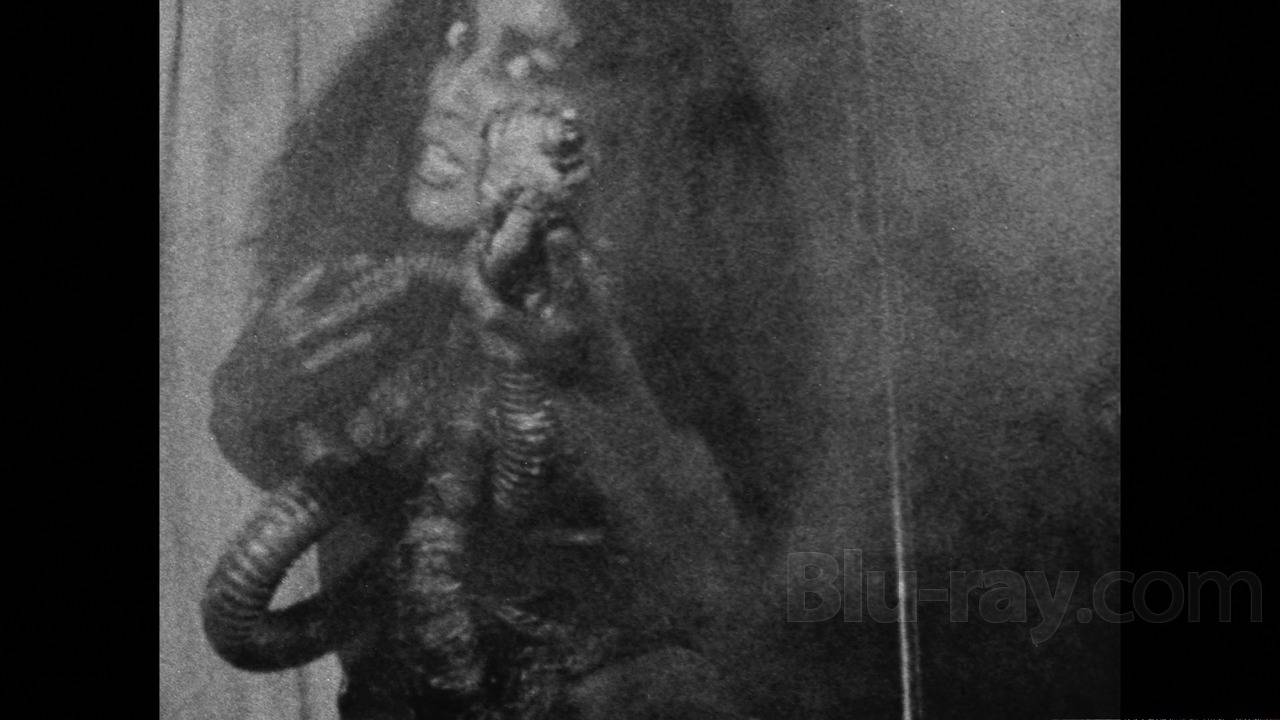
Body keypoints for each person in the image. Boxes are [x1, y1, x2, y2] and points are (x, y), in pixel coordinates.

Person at [206, 0, 810, 716]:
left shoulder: (651, 319)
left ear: (626, 122)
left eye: (525, 65)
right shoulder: (385, 292)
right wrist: (248, 408)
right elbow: (372, 502)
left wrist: (598, 388)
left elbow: (736, 585)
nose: (447, 90)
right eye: (456, 38)